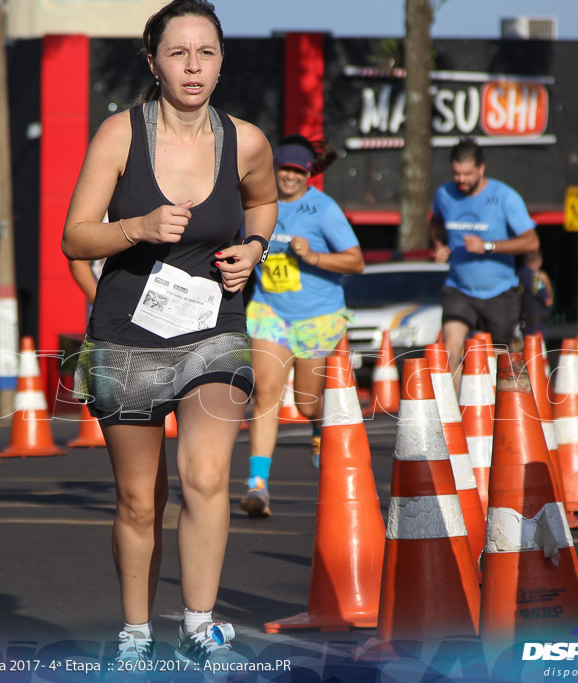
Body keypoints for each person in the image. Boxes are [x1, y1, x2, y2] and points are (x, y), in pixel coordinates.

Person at [60, 0, 277, 668]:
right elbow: (74, 234)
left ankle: (198, 623)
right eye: (178, 53)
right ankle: (134, 630)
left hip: (215, 329)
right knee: (138, 497)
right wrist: (139, 229)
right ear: (153, 63)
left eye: (205, 52)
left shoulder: (247, 141)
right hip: (128, 335)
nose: (192, 66)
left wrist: (256, 245)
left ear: (220, 61)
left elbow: (264, 198)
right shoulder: (120, 136)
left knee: (206, 475)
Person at [240, 134, 363, 518]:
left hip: (317, 317)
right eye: (285, 169)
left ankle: (317, 427)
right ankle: (257, 486)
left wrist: (314, 256)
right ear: (274, 167)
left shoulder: (323, 209)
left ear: (308, 174)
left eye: (298, 171)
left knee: (308, 402)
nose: (290, 177)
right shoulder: (257, 202)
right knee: (266, 396)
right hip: (270, 311)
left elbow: (356, 262)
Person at [431, 138, 540, 388]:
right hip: (459, 288)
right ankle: (459, 417)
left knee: (500, 361)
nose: (461, 180)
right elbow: (436, 221)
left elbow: (532, 242)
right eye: (456, 173)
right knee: (450, 350)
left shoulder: (504, 197)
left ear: (481, 169)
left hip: (499, 292)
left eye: (467, 174)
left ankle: (505, 413)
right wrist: (439, 246)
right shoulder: (444, 194)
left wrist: (488, 246)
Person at [518, 250, 553, 339]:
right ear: (539, 261)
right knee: (536, 351)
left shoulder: (518, 275)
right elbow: (548, 301)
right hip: (536, 326)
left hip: (522, 322)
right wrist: (547, 281)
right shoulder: (536, 278)